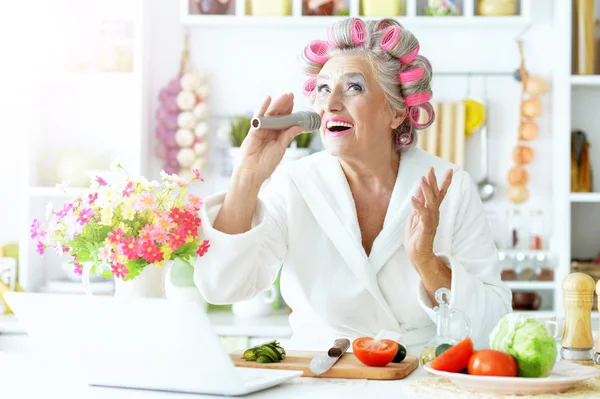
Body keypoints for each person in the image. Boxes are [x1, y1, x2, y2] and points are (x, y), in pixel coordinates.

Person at [195, 17, 512, 353]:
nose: (331, 103)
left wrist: (426, 262)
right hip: (318, 377)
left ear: (396, 112)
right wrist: (247, 176)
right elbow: (221, 288)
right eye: (323, 88)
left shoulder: (449, 186)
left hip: (418, 380)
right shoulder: (295, 184)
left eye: (354, 87)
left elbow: (493, 326)